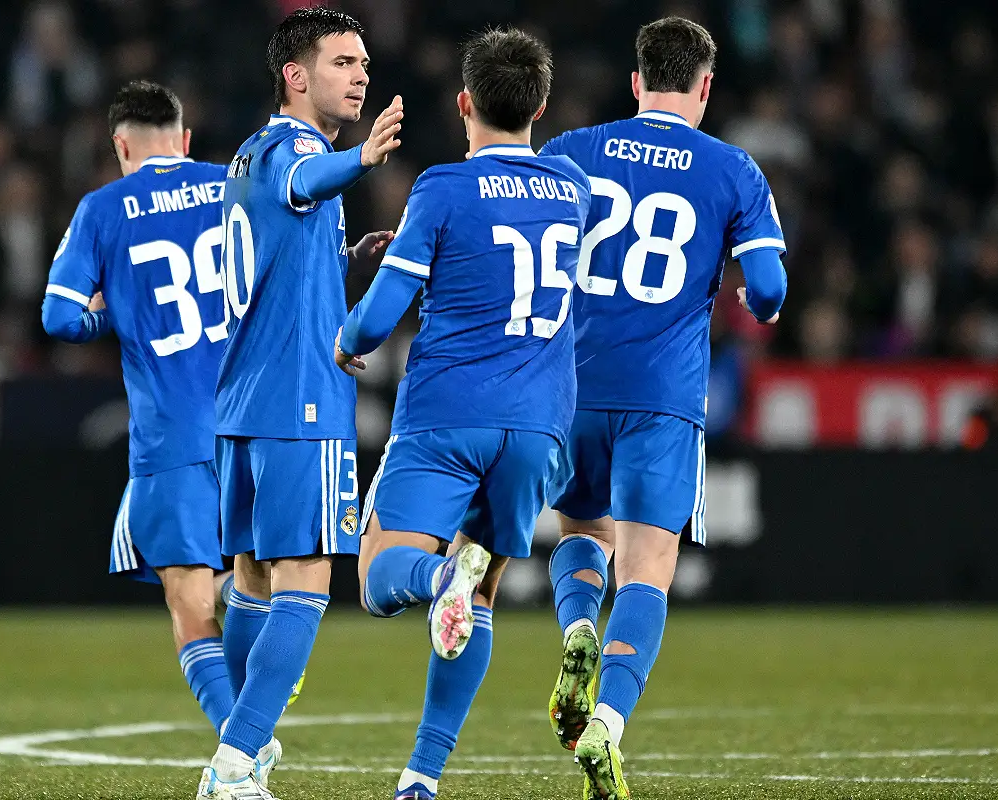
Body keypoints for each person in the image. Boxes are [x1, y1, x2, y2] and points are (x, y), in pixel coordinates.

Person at [538, 17, 788, 799]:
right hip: (662, 401)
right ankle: (607, 727)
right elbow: (771, 292)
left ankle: (577, 627)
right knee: (648, 570)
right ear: (706, 87)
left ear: (637, 80)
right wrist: (749, 290)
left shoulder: (573, 150)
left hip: (568, 387)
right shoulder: (735, 171)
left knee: (582, 531)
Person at [337, 28, 590, 800]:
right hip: (540, 425)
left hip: (448, 414)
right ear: (540, 106)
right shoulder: (573, 188)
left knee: (382, 577)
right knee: (475, 599)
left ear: (464, 103)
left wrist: (345, 339)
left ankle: (437, 572)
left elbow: (378, 320)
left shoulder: (443, 188)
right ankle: (422, 777)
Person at [198, 7, 402, 799]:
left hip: (242, 399)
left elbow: (283, 252)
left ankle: (243, 740)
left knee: (251, 578)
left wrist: (349, 257)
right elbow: (306, 179)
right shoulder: (297, 148)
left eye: (363, 62)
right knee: (307, 580)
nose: (360, 75)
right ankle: (235, 762)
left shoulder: (246, 150)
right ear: (296, 74)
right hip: (299, 400)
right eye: (343, 62)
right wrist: (362, 158)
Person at [42, 80, 237, 740]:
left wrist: (117, 316)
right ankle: (247, 600)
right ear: (184, 140)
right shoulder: (231, 184)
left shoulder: (104, 208)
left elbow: (59, 317)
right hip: (253, 422)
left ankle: (246, 754)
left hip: (173, 434)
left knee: (189, 603)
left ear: (120, 145)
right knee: (271, 576)